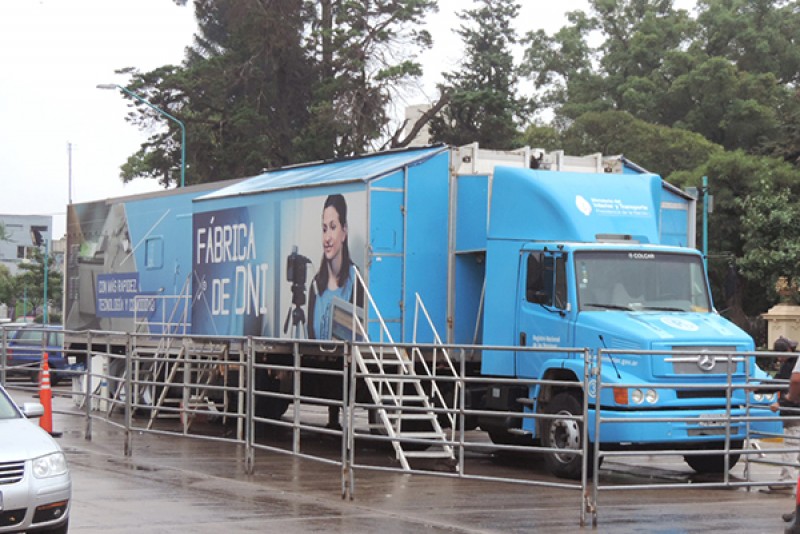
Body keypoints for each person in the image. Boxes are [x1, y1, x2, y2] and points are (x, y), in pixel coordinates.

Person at [307, 194, 363, 428]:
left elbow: (357, 329)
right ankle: (332, 419)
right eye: (324, 229)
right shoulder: (315, 286)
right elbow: (310, 334)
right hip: (322, 357)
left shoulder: (355, 280)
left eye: (333, 227)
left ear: (344, 231)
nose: (327, 237)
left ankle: (339, 420)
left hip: (345, 357)